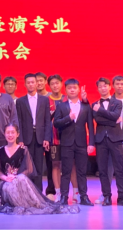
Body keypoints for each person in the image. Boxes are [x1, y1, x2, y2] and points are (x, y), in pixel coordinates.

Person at [0, 123, 78, 215]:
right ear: (4, 134)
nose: (10, 135)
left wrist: (16, 177)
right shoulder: (0, 150)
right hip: (6, 182)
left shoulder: (23, 149)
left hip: (19, 180)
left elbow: (29, 169)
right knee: (8, 187)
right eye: (8, 132)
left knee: (22, 179)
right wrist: (6, 178)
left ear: (17, 134)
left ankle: (25, 205)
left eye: (12, 132)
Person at [92, 78, 123, 207]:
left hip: (116, 138)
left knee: (120, 168)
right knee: (103, 169)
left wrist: (101, 111)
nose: (103, 88)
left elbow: (115, 115)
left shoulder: (117, 102)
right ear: (98, 89)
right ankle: (107, 196)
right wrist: (112, 120)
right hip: (101, 139)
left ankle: (122, 196)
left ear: (110, 87)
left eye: (105, 86)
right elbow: (98, 120)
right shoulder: (94, 104)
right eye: (100, 86)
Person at [53, 79, 95, 206]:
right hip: (66, 143)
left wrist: (91, 143)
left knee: (82, 172)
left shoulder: (86, 106)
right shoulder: (61, 106)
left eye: (74, 87)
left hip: (81, 143)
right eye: (69, 88)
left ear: (78, 89)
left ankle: (84, 196)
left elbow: (90, 126)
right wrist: (68, 118)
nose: (72, 90)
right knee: (66, 171)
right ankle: (64, 197)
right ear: (65, 90)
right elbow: (56, 123)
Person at [48, 75, 81, 204]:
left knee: (71, 165)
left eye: (57, 83)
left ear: (62, 85)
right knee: (55, 165)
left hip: (69, 138)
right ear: (49, 86)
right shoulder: (46, 100)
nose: (55, 86)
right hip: (54, 138)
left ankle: (76, 192)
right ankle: (58, 193)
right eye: (52, 84)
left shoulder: (68, 99)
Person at [16, 74, 51, 192]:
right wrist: (20, 139)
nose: (31, 84)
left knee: (39, 167)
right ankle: (28, 193)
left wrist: (47, 138)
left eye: (33, 82)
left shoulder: (44, 100)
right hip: (26, 138)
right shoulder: (20, 101)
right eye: (28, 82)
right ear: (25, 84)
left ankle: (38, 194)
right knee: (27, 167)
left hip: (40, 137)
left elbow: (47, 120)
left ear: (37, 83)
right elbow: (19, 121)